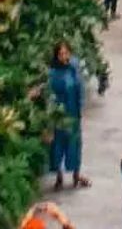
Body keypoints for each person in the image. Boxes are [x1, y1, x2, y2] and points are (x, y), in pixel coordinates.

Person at [46, 40, 87, 189]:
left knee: (75, 144)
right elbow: (49, 94)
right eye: (61, 54)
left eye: (66, 53)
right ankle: (59, 176)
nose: (64, 56)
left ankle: (76, 175)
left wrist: (81, 106)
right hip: (58, 114)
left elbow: (80, 87)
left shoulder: (74, 67)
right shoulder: (52, 73)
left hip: (73, 112)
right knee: (57, 145)